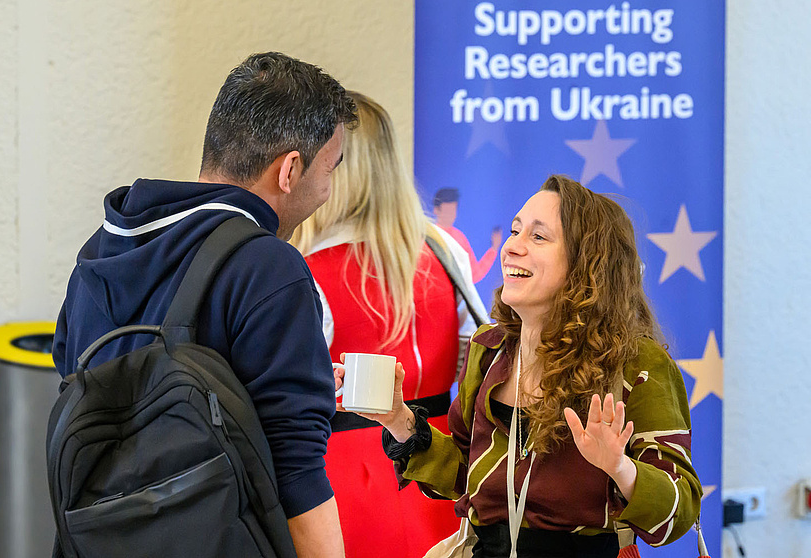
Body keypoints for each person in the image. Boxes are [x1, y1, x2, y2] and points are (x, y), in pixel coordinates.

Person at [52, 52, 357, 558]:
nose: (327, 189)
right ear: (289, 170)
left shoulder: (101, 253)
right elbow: (295, 470)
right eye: (330, 169)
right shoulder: (266, 267)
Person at [339, 175, 702, 558]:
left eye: (538, 236)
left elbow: (678, 512)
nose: (512, 246)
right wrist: (399, 419)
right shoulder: (490, 349)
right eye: (515, 231)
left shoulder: (637, 362)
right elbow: (465, 474)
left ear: (586, 263)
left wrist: (619, 467)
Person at [290, 91, 487, 558]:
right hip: (443, 472)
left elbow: (288, 401)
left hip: (342, 486)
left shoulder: (303, 267)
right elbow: (477, 361)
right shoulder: (443, 248)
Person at [433, 187, 503, 283]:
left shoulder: (459, 238)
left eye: (453, 210)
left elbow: (474, 275)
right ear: (436, 210)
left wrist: (494, 249)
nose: (451, 215)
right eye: (447, 211)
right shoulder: (428, 236)